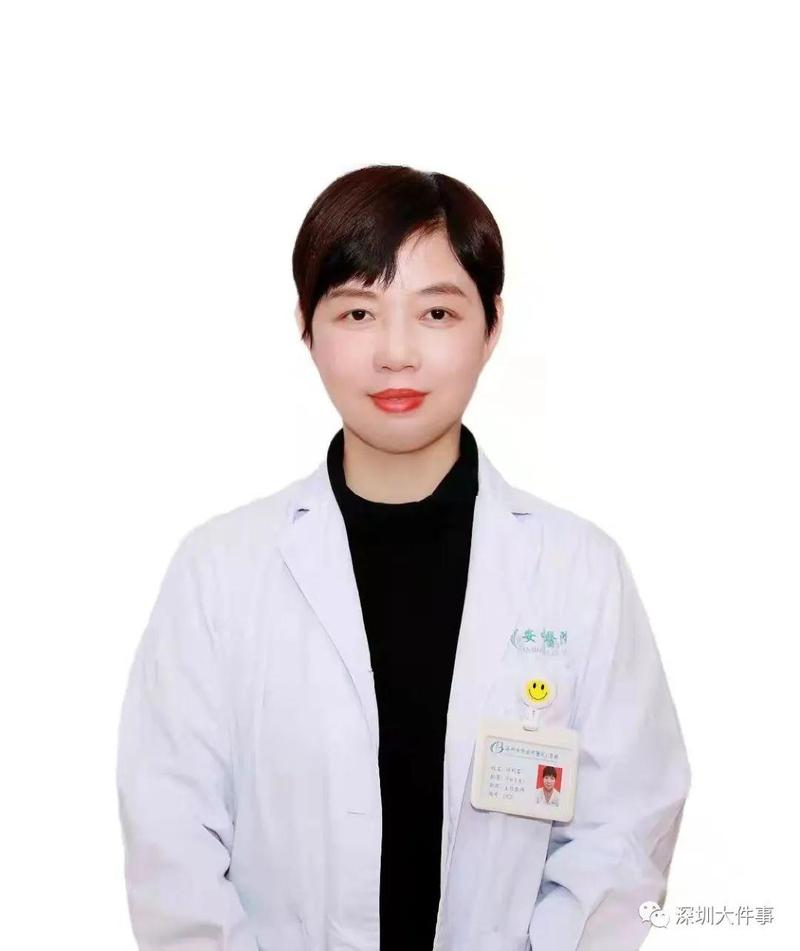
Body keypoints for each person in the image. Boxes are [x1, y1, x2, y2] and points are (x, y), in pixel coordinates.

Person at [116, 164, 691, 951]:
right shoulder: (219, 572)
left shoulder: (579, 572)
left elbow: (626, 831)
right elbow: (172, 840)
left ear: (491, 326)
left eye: (436, 312)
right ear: (306, 325)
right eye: (357, 311)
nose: (395, 353)